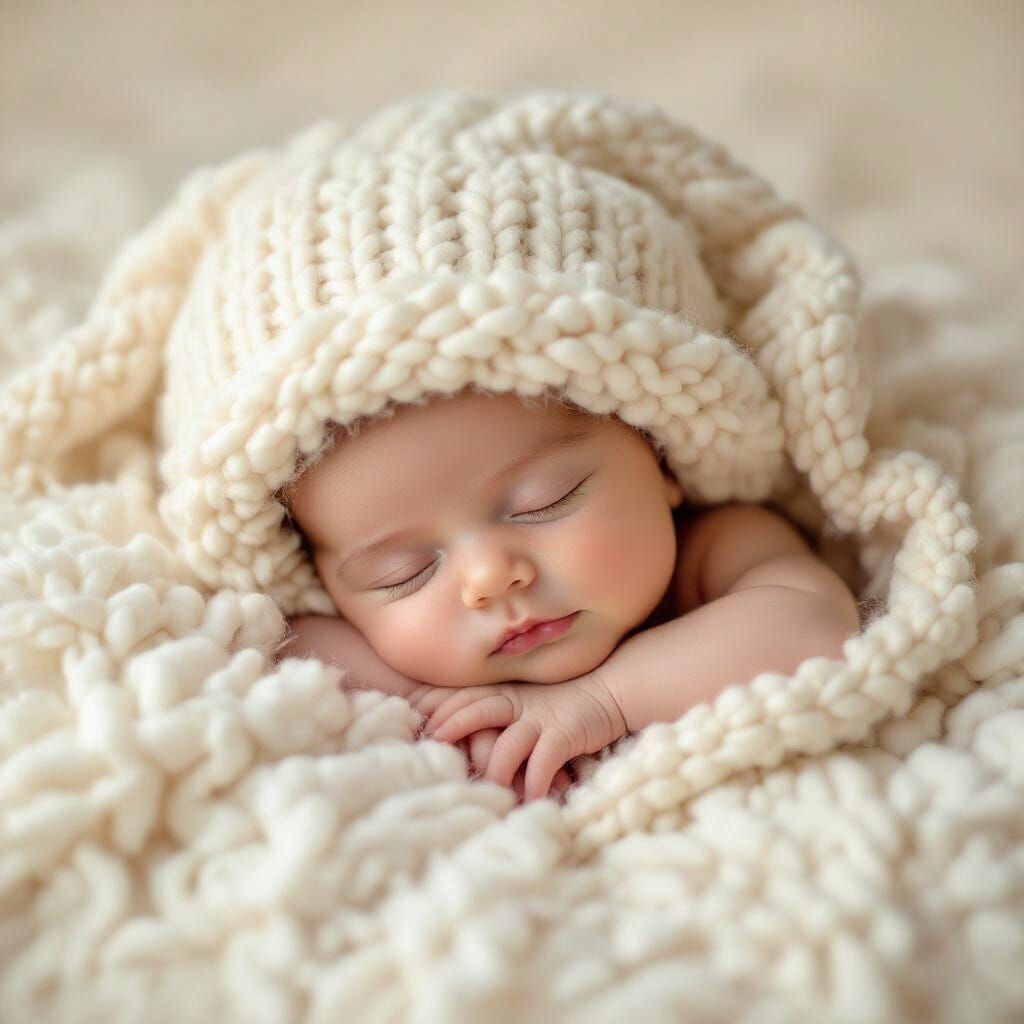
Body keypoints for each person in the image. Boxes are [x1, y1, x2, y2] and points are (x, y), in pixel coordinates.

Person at [275, 385, 861, 804]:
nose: (489, 578)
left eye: (544, 502)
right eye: (402, 574)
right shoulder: (338, 628)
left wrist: (600, 701)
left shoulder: (717, 544)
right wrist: (442, 710)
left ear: (658, 459)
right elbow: (287, 643)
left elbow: (813, 627)